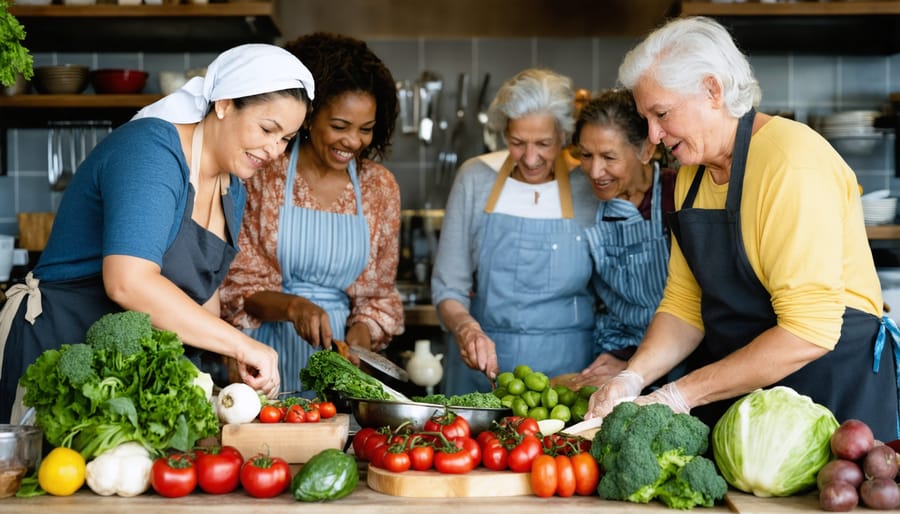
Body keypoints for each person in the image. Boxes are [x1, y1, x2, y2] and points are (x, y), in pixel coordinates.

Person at [586, 16, 899, 441]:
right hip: (746, 399)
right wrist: (633, 377)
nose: (654, 136)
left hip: (831, 393)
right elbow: (685, 303)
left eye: (661, 114)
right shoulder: (691, 179)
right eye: (647, 119)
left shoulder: (791, 162)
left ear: (712, 91)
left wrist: (679, 394)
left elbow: (809, 330)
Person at [0, 43, 315, 423]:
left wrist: (229, 358)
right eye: (267, 129)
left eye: (286, 139)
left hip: (128, 380)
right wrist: (242, 344)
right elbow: (128, 282)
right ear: (224, 103)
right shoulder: (151, 151)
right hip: (57, 355)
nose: (273, 150)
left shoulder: (233, 190)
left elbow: (202, 298)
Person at [220, 33, 403, 395]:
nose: (353, 141)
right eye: (339, 126)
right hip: (263, 355)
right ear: (307, 116)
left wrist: (357, 343)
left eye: (365, 129)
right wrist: (294, 307)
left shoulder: (379, 187)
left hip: (342, 371)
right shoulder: (263, 172)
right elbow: (238, 286)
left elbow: (377, 296)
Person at [431, 68, 600, 395]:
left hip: (571, 373)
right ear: (503, 132)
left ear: (564, 136)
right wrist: (466, 329)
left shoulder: (589, 185)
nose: (531, 158)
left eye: (544, 144)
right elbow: (448, 287)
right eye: (517, 143)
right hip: (483, 369)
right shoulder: (475, 179)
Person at [556, 89, 676, 391]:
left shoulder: (679, 195)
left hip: (679, 359)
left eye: (609, 157)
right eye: (585, 155)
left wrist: (634, 367)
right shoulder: (583, 198)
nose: (595, 171)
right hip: (612, 353)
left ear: (646, 151)